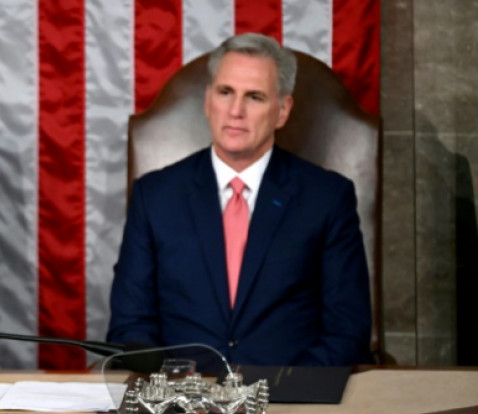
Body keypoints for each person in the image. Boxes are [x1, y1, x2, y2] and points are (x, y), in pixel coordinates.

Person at [108, 33, 371, 371]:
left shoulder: (328, 198)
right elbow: (130, 326)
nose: (235, 111)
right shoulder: (155, 196)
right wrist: (178, 392)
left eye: (255, 97)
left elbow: (347, 333)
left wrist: (286, 391)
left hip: (289, 406)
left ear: (282, 110)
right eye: (225, 92)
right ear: (207, 101)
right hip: (182, 408)